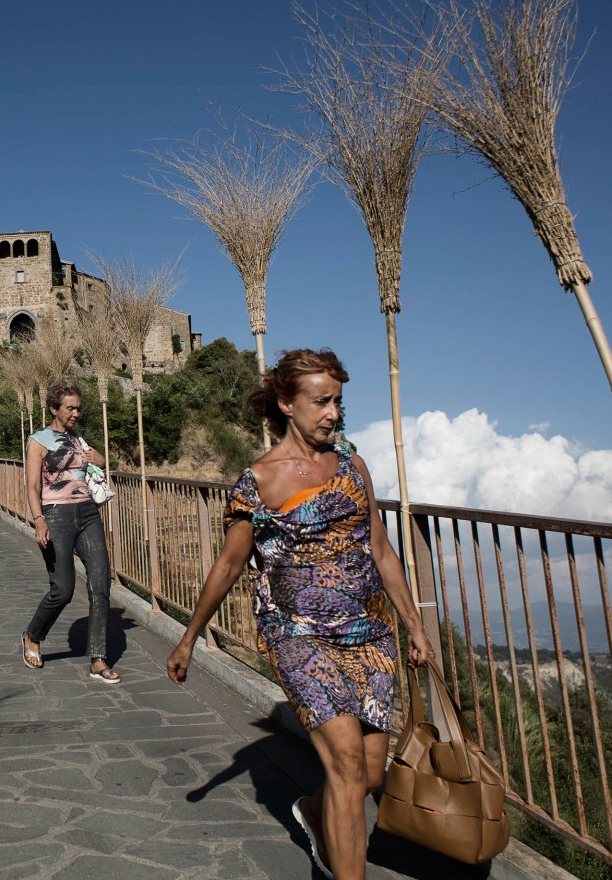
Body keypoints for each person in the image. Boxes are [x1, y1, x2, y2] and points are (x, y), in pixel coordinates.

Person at [165, 348, 431, 880]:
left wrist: (414, 624)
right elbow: (228, 565)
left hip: (368, 631)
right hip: (297, 634)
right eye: (321, 401)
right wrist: (189, 637)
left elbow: (380, 548)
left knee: (369, 774)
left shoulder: (353, 464)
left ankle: (314, 810)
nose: (333, 413)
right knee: (347, 764)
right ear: (287, 403)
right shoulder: (259, 481)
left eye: (337, 401)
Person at [21, 381, 120, 684]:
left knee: (100, 582)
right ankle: (32, 635)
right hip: (55, 515)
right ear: (54, 409)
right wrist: (39, 520)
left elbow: (101, 461)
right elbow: (33, 485)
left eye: (78, 407)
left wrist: (96, 458)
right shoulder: (38, 441)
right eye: (70, 408)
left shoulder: (78, 438)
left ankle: (98, 658)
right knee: (62, 590)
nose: (76, 413)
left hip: (88, 513)